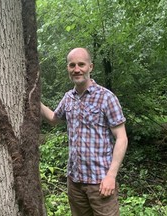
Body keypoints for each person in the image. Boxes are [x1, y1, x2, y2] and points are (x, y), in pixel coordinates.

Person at [40, 47, 128, 216]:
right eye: (72, 65)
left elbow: (121, 138)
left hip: (101, 183)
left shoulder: (106, 97)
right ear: (68, 68)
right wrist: (34, 99)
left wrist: (111, 176)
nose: (77, 69)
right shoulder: (68, 98)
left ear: (90, 67)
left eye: (81, 64)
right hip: (75, 182)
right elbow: (53, 119)